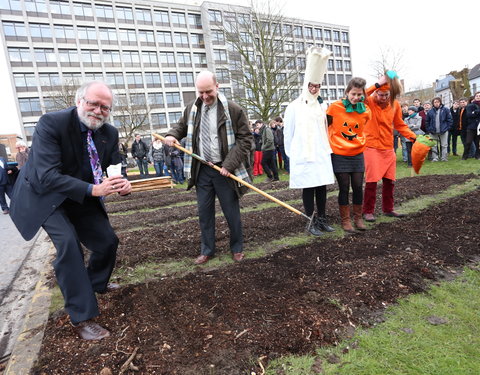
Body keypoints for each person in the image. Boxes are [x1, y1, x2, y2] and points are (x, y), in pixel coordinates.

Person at [9, 81, 132, 340]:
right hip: (45, 195)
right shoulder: (51, 124)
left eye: (105, 107)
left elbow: (114, 166)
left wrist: (123, 181)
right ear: (79, 101)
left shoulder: (109, 132)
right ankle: (82, 317)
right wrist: (93, 190)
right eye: (93, 103)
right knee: (68, 245)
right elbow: (47, 176)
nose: (98, 111)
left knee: (107, 241)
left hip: (80, 194)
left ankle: (95, 284)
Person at [163, 71, 253, 265]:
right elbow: (181, 127)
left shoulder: (233, 110)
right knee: (204, 213)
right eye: (201, 92)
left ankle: (237, 248)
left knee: (231, 212)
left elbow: (246, 140)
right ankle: (207, 250)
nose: (204, 96)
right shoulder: (192, 109)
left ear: (217, 86)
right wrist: (172, 135)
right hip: (202, 170)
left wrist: (229, 165)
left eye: (208, 91)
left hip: (224, 170)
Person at [284, 46, 335, 236]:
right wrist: (293, 154)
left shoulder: (322, 106)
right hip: (304, 154)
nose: (314, 89)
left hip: (320, 152)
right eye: (311, 86)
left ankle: (322, 218)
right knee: (308, 188)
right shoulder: (293, 107)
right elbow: (288, 133)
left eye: (317, 86)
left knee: (321, 186)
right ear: (306, 85)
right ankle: (310, 220)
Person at [362, 71, 417, 222]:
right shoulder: (369, 101)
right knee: (372, 181)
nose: (384, 98)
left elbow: (400, 125)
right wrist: (377, 84)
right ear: (376, 92)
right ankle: (367, 211)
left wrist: (413, 137)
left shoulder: (395, 105)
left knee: (389, 181)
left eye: (387, 95)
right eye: (381, 94)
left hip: (387, 147)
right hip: (371, 147)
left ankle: (388, 209)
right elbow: (361, 94)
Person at [326, 77, 371, 233]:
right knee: (344, 187)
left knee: (358, 187)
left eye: (359, 95)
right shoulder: (334, 108)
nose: (356, 97)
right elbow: (325, 126)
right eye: (353, 94)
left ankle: (358, 218)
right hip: (339, 154)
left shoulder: (365, 110)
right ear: (347, 92)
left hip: (357, 153)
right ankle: (345, 221)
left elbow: (364, 128)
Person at [425, 97, 452, 162]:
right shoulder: (430, 111)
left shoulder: (446, 110)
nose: (436, 103)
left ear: (440, 102)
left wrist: (447, 128)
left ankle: (444, 158)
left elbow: (450, 120)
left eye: (438, 102)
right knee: (434, 145)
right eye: (435, 102)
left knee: (444, 145)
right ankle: (435, 158)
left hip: (443, 131)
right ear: (433, 103)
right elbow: (427, 121)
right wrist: (429, 129)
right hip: (433, 131)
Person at [463, 92, 480, 160]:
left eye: (479, 96)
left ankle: (477, 155)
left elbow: (474, 114)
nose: (478, 97)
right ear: (474, 97)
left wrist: (475, 112)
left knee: (478, 143)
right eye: (477, 96)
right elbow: (469, 115)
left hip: (479, 127)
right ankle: (465, 156)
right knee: (468, 142)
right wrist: (477, 111)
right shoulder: (470, 106)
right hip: (471, 126)